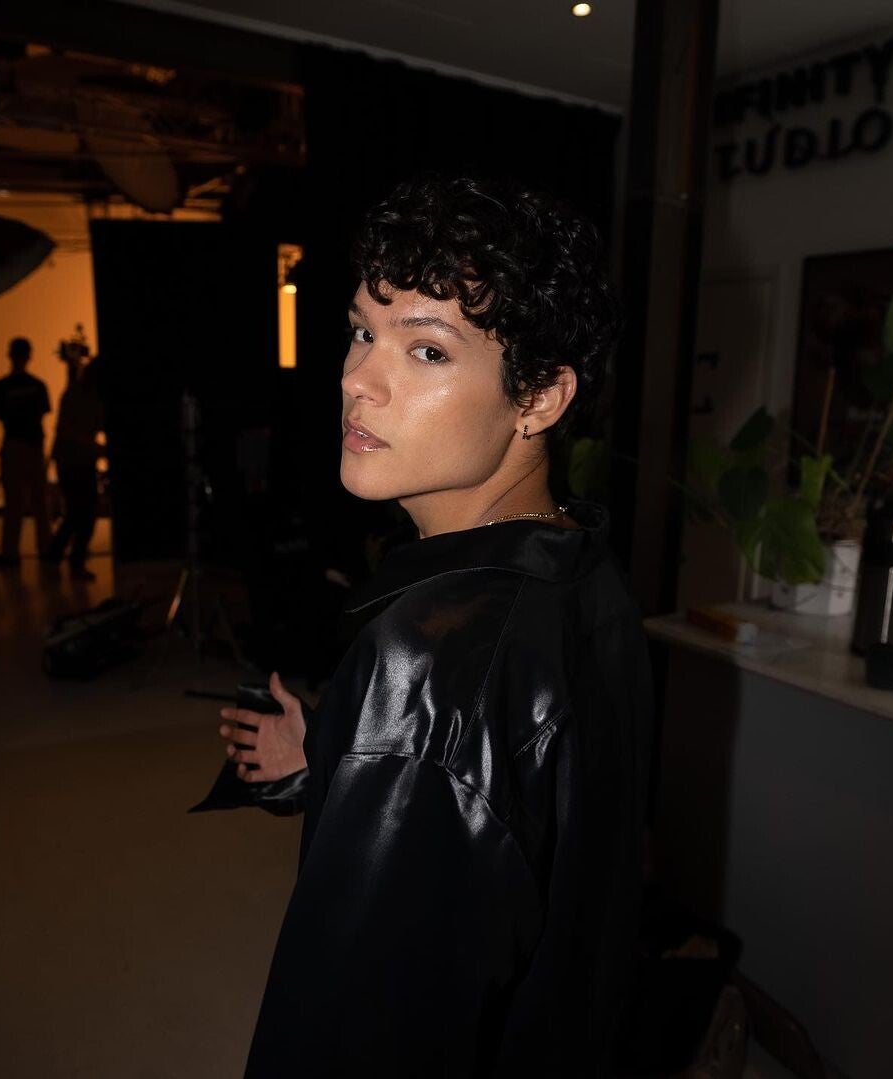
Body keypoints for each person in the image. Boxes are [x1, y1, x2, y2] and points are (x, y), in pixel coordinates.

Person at [209, 175, 654, 1077]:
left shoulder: (430, 663)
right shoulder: (582, 567)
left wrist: (396, 744)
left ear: (540, 397)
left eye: (427, 350)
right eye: (362, 332)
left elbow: (353, 1035)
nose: (357, 380)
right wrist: (345, 757)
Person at [0, 336, 51, 566]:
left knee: (14, 502)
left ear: (10, 355)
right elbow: (43, 411)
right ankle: (45, 549)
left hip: (13, 445)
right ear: (29, 356)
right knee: (39, 501)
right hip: (33, 446)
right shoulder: (38, 386)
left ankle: (11, 553)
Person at [46, 343, 104, 581]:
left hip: (77, 461)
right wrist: (93, 446)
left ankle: (57, 554)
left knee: (77, 513)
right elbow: (66, 429)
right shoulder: (78, 396)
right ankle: (73, 559)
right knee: (84, 513)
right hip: (73, 462)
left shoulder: (85, 396)